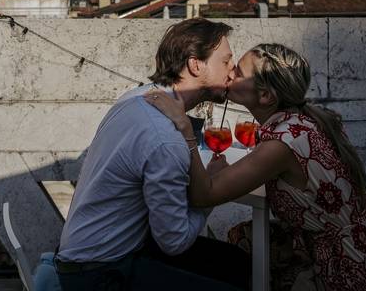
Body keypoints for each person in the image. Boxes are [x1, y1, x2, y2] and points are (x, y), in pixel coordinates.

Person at [145, 43, 366, 290]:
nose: (229, 71)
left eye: (239, 72)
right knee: (244, 236)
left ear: (266, 96)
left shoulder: (281, 144)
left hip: (352, 266)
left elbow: (203, 195)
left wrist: (185, 127)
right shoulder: (305, 120)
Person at [51, 18, 251, 290]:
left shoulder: (136, 98)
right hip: (102, 274)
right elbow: (175, 241)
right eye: (226, 61)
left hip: (88, 255)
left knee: (236, 262)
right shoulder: (165, 140)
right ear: (195, 65)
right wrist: (210, 193)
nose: (232, 71)